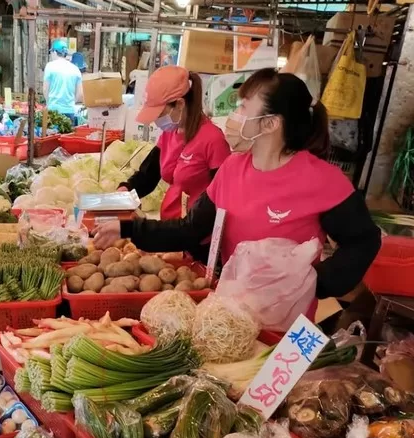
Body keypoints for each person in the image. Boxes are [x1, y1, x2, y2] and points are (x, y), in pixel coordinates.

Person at [94, 68, 381, 311]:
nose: (233, 115)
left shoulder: (323, 181)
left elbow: (363, 241)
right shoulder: (233, 168)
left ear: (270, 123)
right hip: (232, 313)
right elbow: (189, 229)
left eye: (243, 107)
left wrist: (314, 282)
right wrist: (128, 229)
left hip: (285, 323)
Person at [119, 66, 231, 260]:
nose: (156, 122)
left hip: (198, 239)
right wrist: (125, 190)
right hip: (170, 233)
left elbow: (219, 202)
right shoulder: (169, 133)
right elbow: (149, 174)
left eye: (159, 114)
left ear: (179, 104)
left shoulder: (213, 140)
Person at [43, 39, 82, 124]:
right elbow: (79, 94)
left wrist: (49, 104)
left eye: (51, 53)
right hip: (70, 111)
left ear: (54, 52)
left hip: (53, 111)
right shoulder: (75, 69)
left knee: (52, 136)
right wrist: (71, 103)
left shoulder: (50, 66)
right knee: (67, 136)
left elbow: (45, 89)